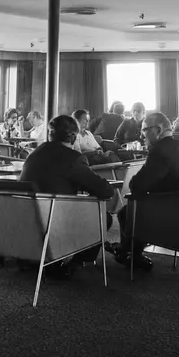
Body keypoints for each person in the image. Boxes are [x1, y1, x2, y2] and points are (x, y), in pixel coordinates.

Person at [20, 115, 115, 277]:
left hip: (28, 221)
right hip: (55, 222)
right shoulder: (74, 158)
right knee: (104, 217)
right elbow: (105, 191)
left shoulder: (33, 155)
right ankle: (75, 262)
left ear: (50, 134)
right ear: (73, 137)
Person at [109, 112, 179, 271]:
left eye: (145, 130)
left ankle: (131, 255)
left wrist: (139, 184)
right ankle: (127, 251)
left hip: (177, 216)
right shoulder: (178, 145)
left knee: (127, 212)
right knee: (135, 207)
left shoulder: (161, 150)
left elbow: (139, 185)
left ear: (158, 130)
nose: (142, 135)